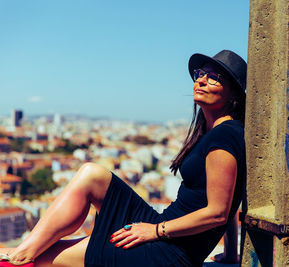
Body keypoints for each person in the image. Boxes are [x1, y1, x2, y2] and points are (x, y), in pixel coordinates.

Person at [0, 49, 247, 267]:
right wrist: (231, 255)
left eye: (214, 77)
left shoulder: (223, 137)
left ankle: (22, 254)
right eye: (200, 74)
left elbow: (218, 212)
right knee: (91, 174)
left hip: (169, 252)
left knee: (46, 257)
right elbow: (229, 198)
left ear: (233, 94)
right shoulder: (215, 133)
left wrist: (155, 231)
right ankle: (24, 250)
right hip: (165, 230)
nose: (201, 81)